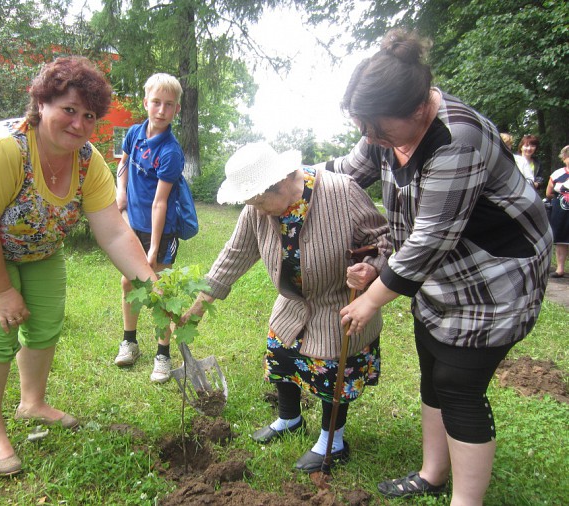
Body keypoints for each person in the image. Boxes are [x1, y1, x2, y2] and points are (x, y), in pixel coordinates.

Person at [324, 29, 551, 505]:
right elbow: (347, 173)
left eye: (379, 130)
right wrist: (296, 181)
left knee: (458, 384)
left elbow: (429, 241)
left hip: (498, 276)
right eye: (365, 128)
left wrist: (370, 299)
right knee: (432, 366)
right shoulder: (384, 129)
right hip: (442, 276)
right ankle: (431, 474)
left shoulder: (457, 138)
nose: (372, 139)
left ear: (418, 109)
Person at [0, 57, 160, 476]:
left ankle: (32, 404)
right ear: (41, 104)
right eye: (68, 110)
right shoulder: (2, 146)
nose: (78, 123)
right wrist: (2, 291)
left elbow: (112, 231)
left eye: (89, 115)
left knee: (46, 321)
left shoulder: (89, 162)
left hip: (38, 247)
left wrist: (151, 283)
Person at [182, 142, 392, 472]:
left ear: (281, 184)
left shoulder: (341, 191)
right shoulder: (257, 208)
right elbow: (234, 255)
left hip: (338, 303)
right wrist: (198, 305)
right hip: (293, 303)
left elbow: (385, 239)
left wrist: (373, 269)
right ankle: (289, 419)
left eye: (261, 202)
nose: (258, 211)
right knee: (281, 352)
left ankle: (332, 441)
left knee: (331, 371)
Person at [113, 73, 186, 383]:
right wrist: (120, 194)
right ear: (146, 103)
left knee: (160, 289)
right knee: (129, 283)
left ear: (176, 110)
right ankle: (129, 341)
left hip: (161, 230)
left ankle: (163, 354)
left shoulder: (171, 152)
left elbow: (160, 203)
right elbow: (123, 166)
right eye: (156, 102)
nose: (160, 110)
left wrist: (154, 247)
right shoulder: (134, 133)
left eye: (168, 105)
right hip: (132, 225)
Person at [545, 145, 569, 278]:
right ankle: (560, 268)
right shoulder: (557, 174)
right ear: (564, 158)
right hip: (561, 210)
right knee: (561, 238)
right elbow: (549, 193)